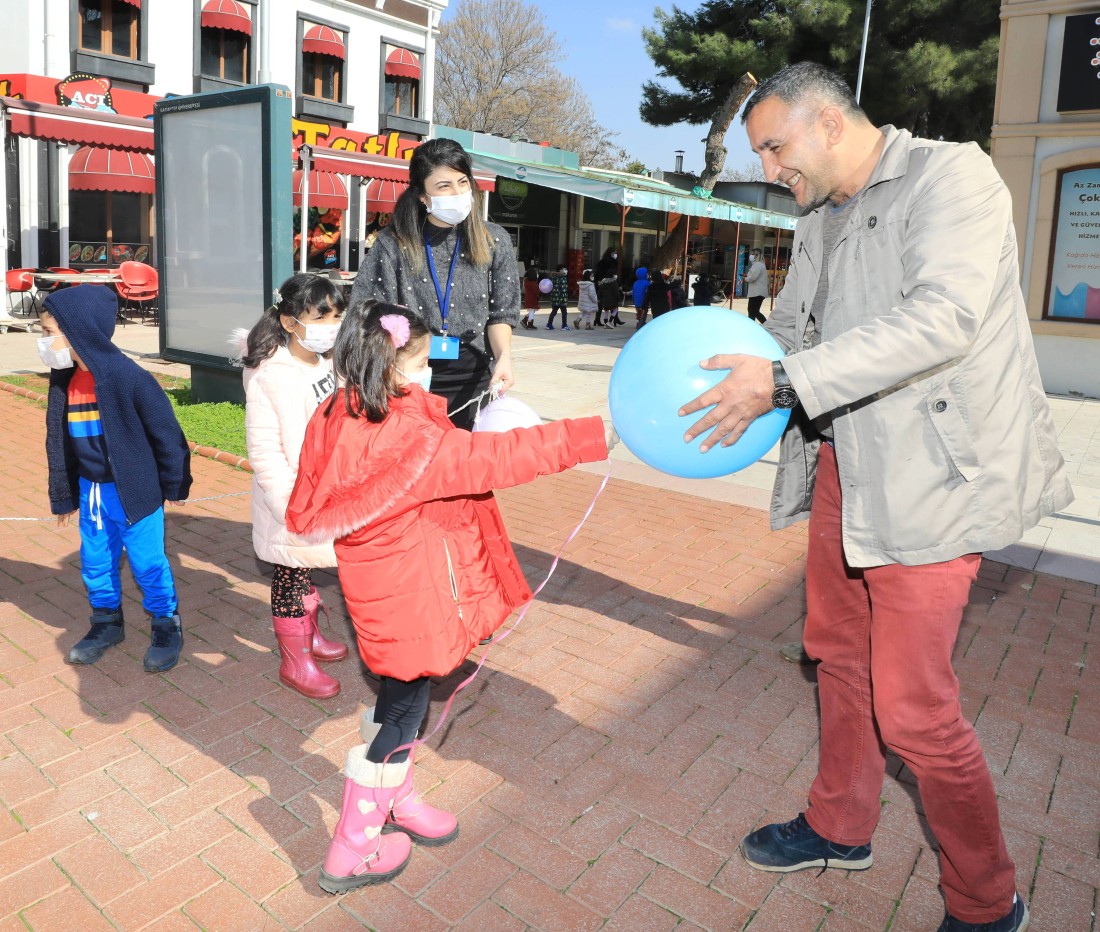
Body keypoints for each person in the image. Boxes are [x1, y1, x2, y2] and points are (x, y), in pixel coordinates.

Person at [679, 62, 1072, 932]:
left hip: (932, 479)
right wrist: (711, 367)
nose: (773, 169)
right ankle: (839, 824)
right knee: (837, 656)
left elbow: (944, 319)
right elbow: (792, 325)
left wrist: (781, 382)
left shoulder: (951, 174)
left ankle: (986, 900)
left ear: (827, 124)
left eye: (777, 148)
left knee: (916, 712)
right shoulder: (821, 213)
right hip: (845, 468)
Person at [284, 301, 612, 893]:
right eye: (422, 356)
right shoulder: (410, 439)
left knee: (398, 698)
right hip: (415, 597)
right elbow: (498, 457)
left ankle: (396, 798)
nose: (432, 367)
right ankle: (350, 848)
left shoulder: (340, 408)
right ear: (392, 365)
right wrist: (591, 435)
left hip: (383, 588)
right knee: (405, 708)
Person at [40, 285, 192, 673]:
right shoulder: (65, 381)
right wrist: (65, 495)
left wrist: (174, 483)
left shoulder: (129, 378)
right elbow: (59, 444)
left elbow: (167, 435)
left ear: (80, 331)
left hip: (135, 492)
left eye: (48, 333)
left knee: (147, 563)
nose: (44, 343)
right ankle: (106, 623)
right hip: (93, 492)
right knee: (94, 561)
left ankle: (165, 623)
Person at [349, 138, 520, 431]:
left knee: (467, 466)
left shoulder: (494, 239)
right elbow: (368, 313)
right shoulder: (393, 244)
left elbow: (501, 313)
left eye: (463, 182)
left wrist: (504, 357)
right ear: (422, 196)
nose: (457, 193)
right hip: (410, 377)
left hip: (475, 378)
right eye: (444, 186)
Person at [236, 273, 349, 700]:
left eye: (336, 316)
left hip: (325, 492)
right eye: (320, 317)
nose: (331, 326)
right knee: (289, 574)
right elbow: (265, 452)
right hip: (289, 500)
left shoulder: (329, 366)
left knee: (304, 571)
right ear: (288, 321)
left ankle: (311, 636)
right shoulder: (272, 377)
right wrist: (291, 505)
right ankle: (294, 660)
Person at [744, 250, 769, 323]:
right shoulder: (760, 265)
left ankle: (765, 325)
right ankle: (753, 326)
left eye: (753, 254)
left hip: (757, 293)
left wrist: (745, 278)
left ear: (757, 255)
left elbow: (752, 278)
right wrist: (747, 276)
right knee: (753, 311)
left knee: (753, 311)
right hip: (758, 292)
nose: (751, 256)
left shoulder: (758, 265)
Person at [546, 263, 570, 331]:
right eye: (564, 269)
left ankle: (549, 324)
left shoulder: (553, 277)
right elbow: (564, 289)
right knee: (564, 313)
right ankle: (564, 325)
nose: (566, 270)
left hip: (555, 298)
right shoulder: (563, 278)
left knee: (554, 311)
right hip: (562, 298)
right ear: (560, 270)